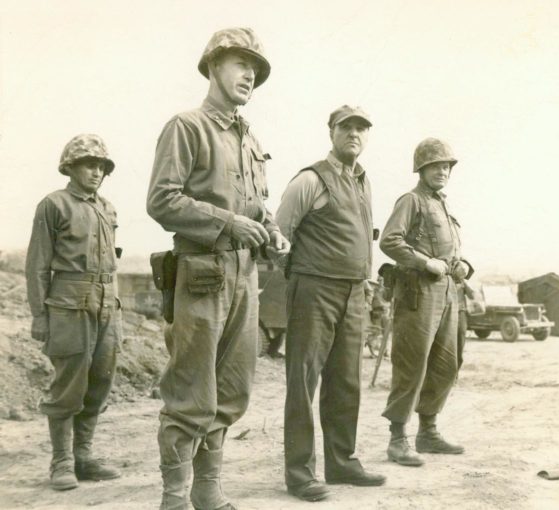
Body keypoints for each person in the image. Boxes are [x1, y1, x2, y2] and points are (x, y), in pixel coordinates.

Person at [146, 27, 289, 510]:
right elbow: (162, 200)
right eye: (239, 63)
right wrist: (230, 223)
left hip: (245, 276)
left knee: (231, 389)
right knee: (192, 389)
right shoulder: (187, 127)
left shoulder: (249, 138)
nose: (249, 74)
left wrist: (269, 227)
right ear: (212, 66)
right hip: (202, 273)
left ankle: (208, 493)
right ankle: (174, 499)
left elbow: (255, 205)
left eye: (255, 68)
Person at [276, 105, 386, 502]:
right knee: (303, 381)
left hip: (354, 291)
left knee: (346, 380)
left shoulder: (363, 182)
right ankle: (300, 473)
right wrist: (304, 278)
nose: (353, 134)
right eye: (346, 128)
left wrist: (366, 284)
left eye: (361, 128)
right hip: (314, 289)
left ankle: (342, 462)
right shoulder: (310, 179)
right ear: (331, 133)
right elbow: (279, 234)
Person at [25, 134, 122, 491]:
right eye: (88, 164)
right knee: (69, 384)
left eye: (101, 166)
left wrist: (113, 305)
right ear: (71, 166)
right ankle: (62, 462)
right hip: (69, 303)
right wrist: (40, 315)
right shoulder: (54, 205)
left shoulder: (108, 208)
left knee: (100, 380)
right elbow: (37, 264)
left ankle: (84, 456)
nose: (96, 172)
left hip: (108, 303)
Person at [379, 137, 473, 467]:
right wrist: (423, 262)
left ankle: (428, 432)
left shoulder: (442, 204)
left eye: (447, 166)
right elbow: (389, 241)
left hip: (448, 292)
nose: (442, 171)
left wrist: (462, 266)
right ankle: (398, 439)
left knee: (447, 363)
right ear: (421, 169)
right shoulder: (412, 200)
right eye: (436, 166)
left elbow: (451, 251)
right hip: (418, 293)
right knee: (412, 364)